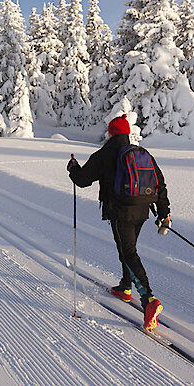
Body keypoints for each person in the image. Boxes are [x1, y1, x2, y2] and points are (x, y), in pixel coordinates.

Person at [67, 114, 171, 331]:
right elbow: (159, 184)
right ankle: (125, 286)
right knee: (127, 249)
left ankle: (149, 300)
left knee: (128, 253)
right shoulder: (141, 154)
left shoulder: (105, 154)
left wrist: (73, 168)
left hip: (120, 212)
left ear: (111, 133)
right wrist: (164, 213)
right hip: (142, 210)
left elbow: (82, 180)